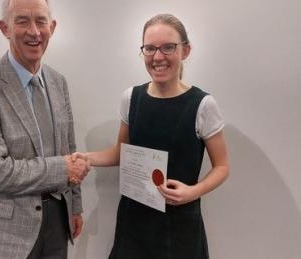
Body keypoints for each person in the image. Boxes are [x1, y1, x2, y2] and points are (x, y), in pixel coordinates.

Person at [72, 13, 229, 259]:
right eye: (150, 48)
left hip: (180, 226)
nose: (158, 57)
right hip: (134, 222)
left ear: (185, 50)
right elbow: (121, 152)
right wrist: (87, 157)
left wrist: (193, 192)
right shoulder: (131, 98)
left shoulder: (203, 105)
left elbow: (222, 167)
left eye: (168, 47)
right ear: (143, 51)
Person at [0, 0, 90, 258]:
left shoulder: (58, 82)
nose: (34, 31)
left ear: (52, 27)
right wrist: (63, 169)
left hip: (57, 223)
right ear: (4, 27)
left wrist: (75, 206)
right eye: (22, 21)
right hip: (3, 233)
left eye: (41, 21)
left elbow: (69, 148)